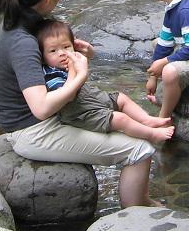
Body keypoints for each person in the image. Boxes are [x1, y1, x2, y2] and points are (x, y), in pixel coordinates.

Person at [0, 0, 157, 208]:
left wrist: (83, 55)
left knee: (116, 111)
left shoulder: (20, 18)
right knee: (140, 151)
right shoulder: (22, 41)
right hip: (31, 131)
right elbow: (41, 108)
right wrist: (78, 77)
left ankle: (140, 201)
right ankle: (135, 214)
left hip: (43, 118)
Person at [37, 19, 175, 142]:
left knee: (121, 98)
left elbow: (90, 55)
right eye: (53, 50)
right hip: (77, 112)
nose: (62, 53)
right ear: (42, 57)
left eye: (66, 46)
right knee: (120, 119)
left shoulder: (71, 58)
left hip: (89, 96)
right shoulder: (51, 74)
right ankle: (152, 134)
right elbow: (68, 95)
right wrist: (74, 70)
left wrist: (87, 49)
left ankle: (147, 120)